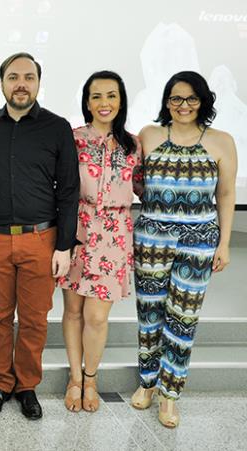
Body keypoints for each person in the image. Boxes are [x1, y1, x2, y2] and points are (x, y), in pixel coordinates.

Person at [0, 52, 80, 419]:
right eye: (14, 76)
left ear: (38, 82)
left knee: (35, 319)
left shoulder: (57, 127)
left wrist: (65, 245)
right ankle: (1, 383)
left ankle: (27, 386)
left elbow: (68, 189)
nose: (21, 83)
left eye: (29, 77)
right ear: (2, 82)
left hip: (42, 239)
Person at [130, 71, 236, 428]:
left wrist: (224, 243)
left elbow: (225, 195)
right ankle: (147, 382)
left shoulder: (221, 141)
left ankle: (170, 394)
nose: (183, 106)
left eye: (191, 99)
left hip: (200, 242)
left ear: (203, 101)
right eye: (175, 99)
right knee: (150, 314)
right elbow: (137, 183)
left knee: (183, 318)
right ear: (166, 102)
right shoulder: (150, 135)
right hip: (151, 240)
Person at [57, 71, 143, 412]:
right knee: (73, 310)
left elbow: (143, 188)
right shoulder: (73, 139)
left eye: (111, 95)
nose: (104, 103)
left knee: (96, 316)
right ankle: (74, 380)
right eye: (96, 96)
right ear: (86, 101)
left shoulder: (133, 144)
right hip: (76, 230)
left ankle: (91, 378)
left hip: (114, 234)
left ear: (121, 100)